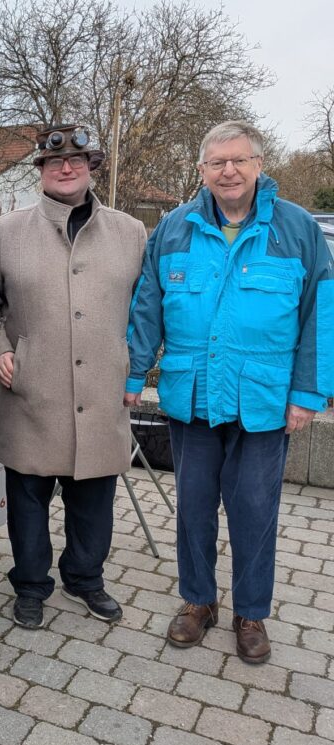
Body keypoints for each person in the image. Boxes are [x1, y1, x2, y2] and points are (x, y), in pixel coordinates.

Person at [125, 121, 334, 663]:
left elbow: (321, 314)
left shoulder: (297, 230)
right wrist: (132, 377)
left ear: (260, 166)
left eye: (239, 160)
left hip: (263, 400)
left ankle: (250, 613)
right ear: (201, 171)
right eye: (217, 162)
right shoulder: (173, 229)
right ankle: (198, 602)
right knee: (193, 509)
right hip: (192, 396)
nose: (229, 171)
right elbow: (146, 310)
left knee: (254, 511)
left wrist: (309, 392)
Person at [0, 124, 147, 629]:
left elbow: (146, 311)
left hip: (103, 389)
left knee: (94, 498)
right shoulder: (4, 233)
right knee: (27, 500)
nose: (67, 168)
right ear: (41, 170)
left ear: (92, 167)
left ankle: (84, 577)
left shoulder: (131, 233)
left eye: (78, 161)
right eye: (55, 163)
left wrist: (134, 367)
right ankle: (31, 584)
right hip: (31, 390)